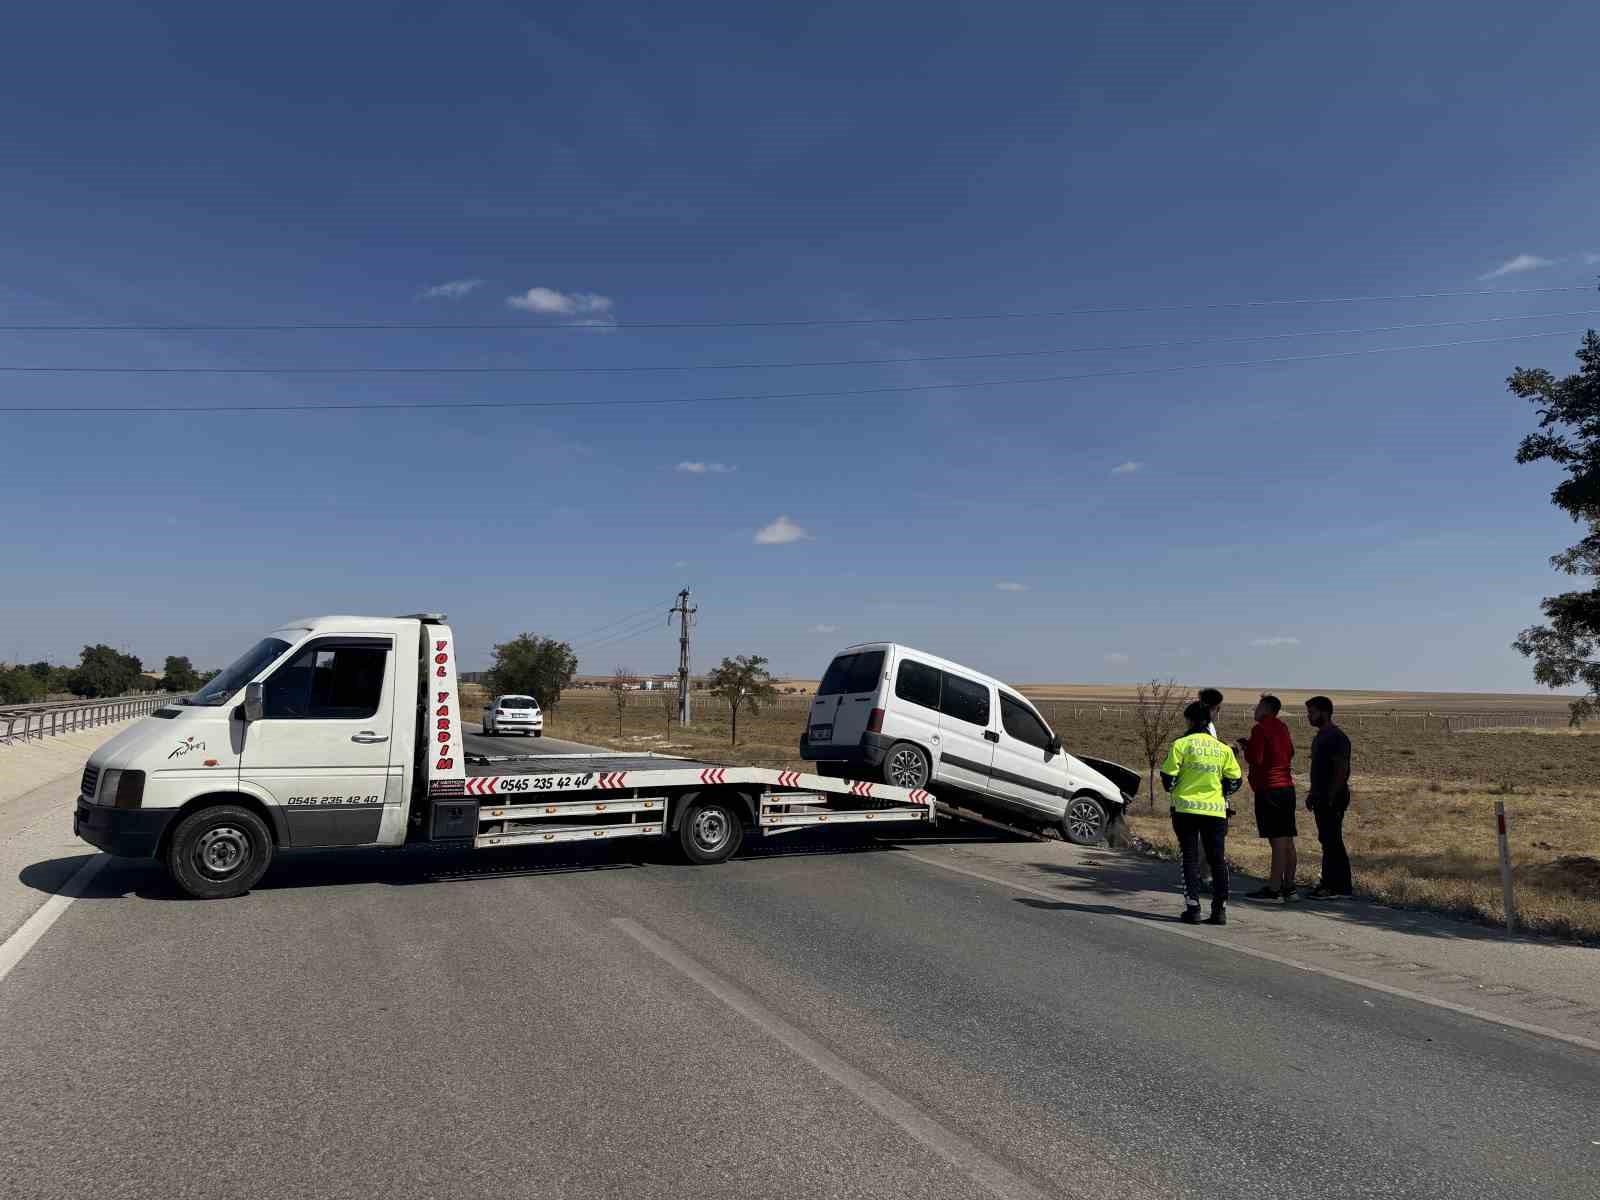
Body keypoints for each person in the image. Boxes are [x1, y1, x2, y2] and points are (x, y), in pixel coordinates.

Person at [1160, 700, 1243, 925]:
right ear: (1209, 721)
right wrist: (1221, 791)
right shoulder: (1223, 748)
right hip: (1215, 812)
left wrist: (1177, 788)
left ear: (1188, 720)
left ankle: (1193, 907)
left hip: (1185, 809)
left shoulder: (1181, 744)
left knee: (1189, 857)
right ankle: (1220, 911)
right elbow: (1236, 781)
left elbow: (1168, 779)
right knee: (1217, 860)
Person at [1236, 694, 1297, 901]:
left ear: (1267, 709)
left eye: (1258, 706)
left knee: (1278, 840)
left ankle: (1273, 889)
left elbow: (1257, 758)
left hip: (1270, 789)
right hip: (1287, 787)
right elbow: (1290, 752)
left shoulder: (1260, 729)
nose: (1255, 709)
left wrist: (1247, 749)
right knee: (1287, 839)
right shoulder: (1283, 727)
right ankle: (1289, 887)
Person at [1304, 695, 1354, 899]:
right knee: (1327, 839)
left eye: (1312, 712)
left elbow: (1341, 770)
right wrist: (1312, 794)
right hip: (1321, 797)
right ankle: (1331, 883)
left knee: (1332, 841)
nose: (1309, 716)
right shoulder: (1320, 736)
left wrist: (1330, 796)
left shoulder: (1337, 737)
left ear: (1324, 712)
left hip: (1333, 798)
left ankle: (1336, 886)